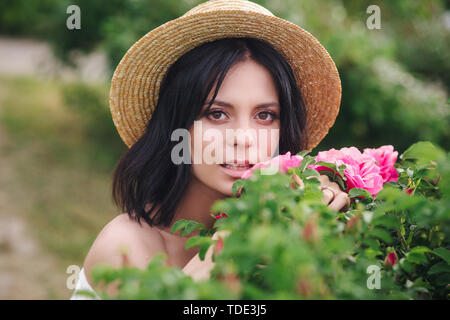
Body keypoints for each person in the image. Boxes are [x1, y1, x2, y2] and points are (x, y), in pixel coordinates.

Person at [70, 0, 348, 299]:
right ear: (178, 126)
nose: (243, 138)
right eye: (216, 114)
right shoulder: (125, 246)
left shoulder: (288, 233)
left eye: (265, 115)